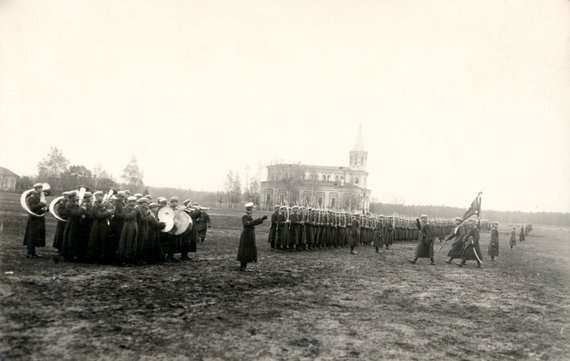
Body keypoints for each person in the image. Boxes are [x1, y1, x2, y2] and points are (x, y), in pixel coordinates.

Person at [237, 202, 267, 271]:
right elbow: (248, 224)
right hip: (246, 234)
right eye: (252, 208)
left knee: (248, 250)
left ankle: (245, 266)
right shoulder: (245, 216)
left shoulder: (249, 216)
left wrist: (261, 220)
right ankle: (242, 267)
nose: (253, 209)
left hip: (250, 234)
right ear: (249, 209)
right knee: (245, 250)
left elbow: (253, 223)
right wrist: (261, 219)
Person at [87, 191, 114, 263]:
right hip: (97, 225)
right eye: (99, 196)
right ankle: (95, 258)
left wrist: (110, 213)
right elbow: (98, 215)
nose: (101, 198)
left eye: (102, 196)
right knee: (96, 241)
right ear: (96, 197)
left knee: (103, 240)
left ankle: (102, 257)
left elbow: (104, 214)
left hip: (103, 225)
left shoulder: (101, 205)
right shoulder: (94, 206)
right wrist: (108, 212)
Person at [23, 183, 47, 258]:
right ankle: (30, 252)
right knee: (31, 236)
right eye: (40, 188)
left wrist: (46, 209)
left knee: (36, 235)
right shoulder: (32, 197)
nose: (41, 189)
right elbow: (33, 208)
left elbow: (41, 207)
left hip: (39, 218)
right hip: (34, 219)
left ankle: (33, 252)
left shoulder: (41, 197)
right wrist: (41, 204)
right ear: (36, 188)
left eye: (41, 188)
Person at [118, 196, 139, 265]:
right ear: (129, 202)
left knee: (133, 243)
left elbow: (138, 218)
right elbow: (129, 217)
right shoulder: (125, 208)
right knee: (127, 243)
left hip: (134, 226)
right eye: (132, 201)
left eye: (134, 201)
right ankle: (125, 260)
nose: (134, 202)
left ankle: (131, 259)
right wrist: (134, 210)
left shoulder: (135, 208)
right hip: (128, 227)